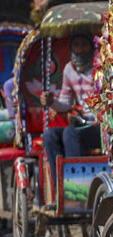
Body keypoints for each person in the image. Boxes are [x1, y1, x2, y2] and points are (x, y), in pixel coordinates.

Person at [41, 34, 101, 186]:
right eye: (76, 45)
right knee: (50, 136)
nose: (80, 50)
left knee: (70, 132)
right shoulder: (69, 68)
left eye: (84, 44)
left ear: (92, 46)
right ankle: (61, 188)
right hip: (85, 124)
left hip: (102, 126)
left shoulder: (100, 65)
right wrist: (51, 101)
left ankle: (78, 186)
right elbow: (66, 102)